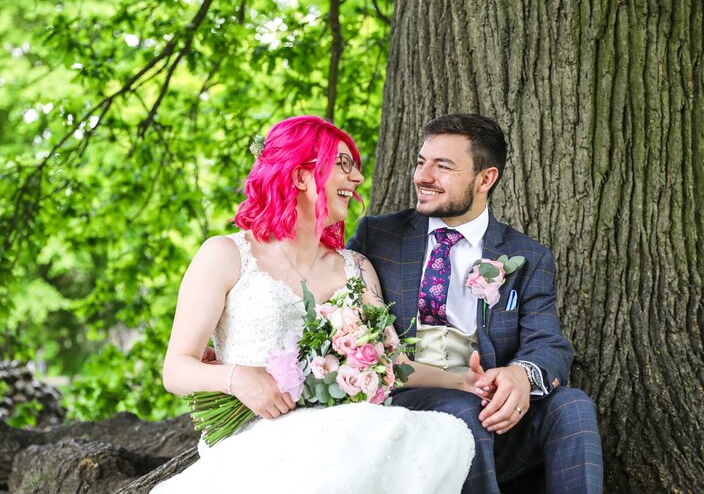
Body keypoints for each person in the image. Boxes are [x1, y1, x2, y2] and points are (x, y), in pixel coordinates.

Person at [152, 116, 475, 493]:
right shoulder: (225, 255)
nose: (356, 179)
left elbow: (392, 363)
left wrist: (464, 380)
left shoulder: (356, 268)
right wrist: (236, 378)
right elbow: (176, 370)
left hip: (348, 434)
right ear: (301, 175)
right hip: (256, 438)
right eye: (343, 165)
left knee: (438, 436)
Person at [347, 114, 604, 494]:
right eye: (422, 162)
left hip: (490, 412)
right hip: (405, 403)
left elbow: (548, 342)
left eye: (443, 166)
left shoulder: (527, 256)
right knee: (463, 411)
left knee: (574, 406)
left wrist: (520, 375)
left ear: (486, 179)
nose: (423, 176)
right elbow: (343, 313)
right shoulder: (378, 235)